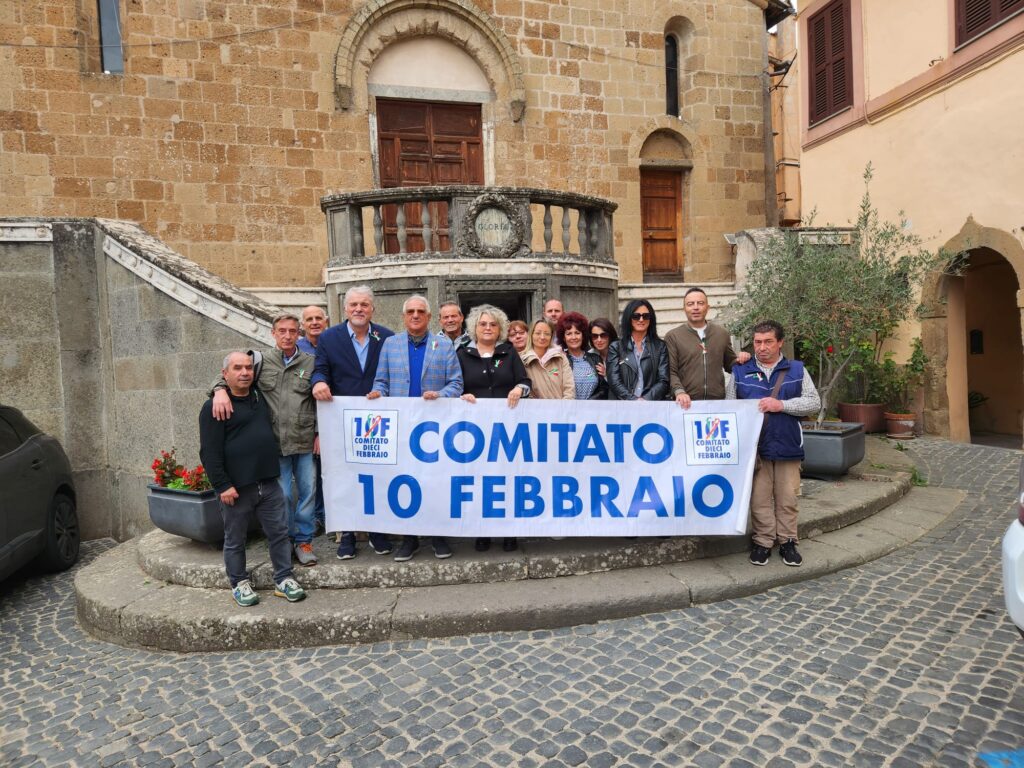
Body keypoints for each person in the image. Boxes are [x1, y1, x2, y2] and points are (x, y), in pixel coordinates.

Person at [211, 314, 319, 567]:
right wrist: (218, 391)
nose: (287, 335)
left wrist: (319, 435)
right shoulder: (259, 361)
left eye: (293, 331)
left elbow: (320, 401)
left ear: (299, 334)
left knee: (308, 492)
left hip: (303, 440)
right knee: (282, 496)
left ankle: (303, 540)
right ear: (273, 333)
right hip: (274, 444)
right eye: (282, 330)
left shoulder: (311, 363)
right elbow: (231, 375)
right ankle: (286, 538)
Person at [200, 351, 306, 607]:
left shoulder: (258, 395)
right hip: (236, 488)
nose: (245, 372)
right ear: (225, 374)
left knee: (279, 534)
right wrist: (222, 485)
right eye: (237, 368)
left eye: (248, 367)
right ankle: (239, 583)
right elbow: (209, 452)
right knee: (235, 539)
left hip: (268, 482)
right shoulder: (214, 406)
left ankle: (284, 578)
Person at [369, 295, 463, 562]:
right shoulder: (391, 344)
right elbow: (381, 381)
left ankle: (437, 536)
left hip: (433, 428)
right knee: (406, 482)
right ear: (404, 316)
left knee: (434, 481)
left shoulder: (443, 345)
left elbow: (456, 384)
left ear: (429, 317)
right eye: (410, 311)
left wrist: (441, 395)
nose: (415, 315)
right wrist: (377, 392)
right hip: (401, 428)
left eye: (421, 311)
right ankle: (409, 539)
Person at [311, 285, 396, 560]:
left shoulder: (387, 337)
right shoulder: (329, 337)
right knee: (344, 476)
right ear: (345, 309)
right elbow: (320, 368)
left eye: (364, 305)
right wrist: (319, 382)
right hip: (341, 420)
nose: (359, 309)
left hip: (378, 420)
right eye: (354, 305)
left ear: (373, 309)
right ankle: (347, 534)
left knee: (379, 475)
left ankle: (377, 530)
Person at [728, 320, 820, 567]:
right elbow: (730, 407)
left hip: (787, 444)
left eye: (768, 341)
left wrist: (782, 405)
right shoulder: (740, 370)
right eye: (758, 342)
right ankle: (763, 542)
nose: (762, 347)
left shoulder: (797, 369)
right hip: (755, 449)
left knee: (787, 497)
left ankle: (788, 541)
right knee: (758, 499)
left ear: (780, 342)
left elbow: (814, 403)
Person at [457, 305, 531, 552]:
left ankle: (510, 531)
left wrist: (519, 389)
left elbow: (525, 381)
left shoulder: (508, 353)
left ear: (499, 329)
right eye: (482, 324)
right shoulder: (463, 354)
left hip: (507, 430)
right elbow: (455, 385)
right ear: (474, 328)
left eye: (492, 324)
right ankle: (483, 531)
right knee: (481, 481)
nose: (487, 328)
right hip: (475, 432)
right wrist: (461, 395)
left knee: (507, 480)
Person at [666, 287, 750, 409]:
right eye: (690, 304)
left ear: (707, 307)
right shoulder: (673, 336)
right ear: (684, 309)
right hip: (685, 404)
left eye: (700, 303)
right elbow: (671, 371)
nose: (695, 307)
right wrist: (679, 391)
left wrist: (741, 359)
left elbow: (730, 364)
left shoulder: (721, 334)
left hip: (717, 403)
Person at [299, 304, 330, 534]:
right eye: (309, 319)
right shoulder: (295, 348)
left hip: (329, 419)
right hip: (303, 422)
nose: (314, 322)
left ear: (326, 321)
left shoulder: (332, 344)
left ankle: (328, 515)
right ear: (303, 325)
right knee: (310, 478)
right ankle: (317, 518)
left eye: (318, 318)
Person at [606, 299, 670, 401]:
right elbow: (614, 381)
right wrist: (633, 400)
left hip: (651, 407)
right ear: (628, 318)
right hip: (623, 407)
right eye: (636, 316)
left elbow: (664, 380)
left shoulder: (660, 347)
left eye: (645, 316)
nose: (641, 320)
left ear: (651, 319)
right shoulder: (616, 347)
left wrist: (646, 399)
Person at [556, 312, 607, 400]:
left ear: (583, 335)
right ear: (563, 338)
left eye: (577, 333)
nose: (573, 337)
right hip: (567, 410)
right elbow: (551, 380)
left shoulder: (595, 358)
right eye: (569, 334)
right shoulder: (560, 359)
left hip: (591, 410)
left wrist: (587, 404)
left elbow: (603, 389)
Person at [521, 319, 574, 400]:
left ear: (551, 336)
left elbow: (569, 388)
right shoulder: (523, 360)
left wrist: (564, 409)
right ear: (531, 334)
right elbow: (525, 390)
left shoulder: (560, 357)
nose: (542, 337)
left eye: (547, 334)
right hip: (535, 410)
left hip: (562, 410)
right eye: (538, 333)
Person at [588, 317, 618, 386]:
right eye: (595, 336)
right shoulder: (589, 356)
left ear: (610, 336)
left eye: (603, 335)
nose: (599, 340)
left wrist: (607, 375)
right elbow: (588, 379)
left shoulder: (621, 354)